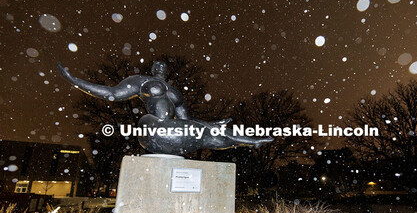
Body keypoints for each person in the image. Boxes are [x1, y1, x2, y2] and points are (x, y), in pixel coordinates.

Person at [57, 61, 273, 155]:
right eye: (157, 65)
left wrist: (211, 125)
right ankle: (248, 140)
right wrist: (75, 80)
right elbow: (113, 94)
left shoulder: (175, 93)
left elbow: (187, 120)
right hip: (152, 126)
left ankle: (248, 141)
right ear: (152, 69)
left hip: (173, 131)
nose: (160, 67)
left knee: (212, 135)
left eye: (164, 66)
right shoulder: (142, 81)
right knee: (201, 129)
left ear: (167, 72)